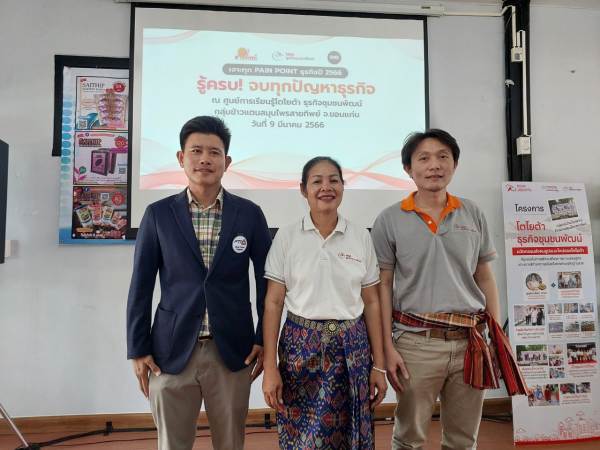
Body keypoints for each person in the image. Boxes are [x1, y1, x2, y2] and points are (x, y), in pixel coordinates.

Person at [371, 129, 527, 450]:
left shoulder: (472, 213)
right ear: (408, 168)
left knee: (463, 440)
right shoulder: (389, 219)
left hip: (470, 342)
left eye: (443, 157)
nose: (435, 165)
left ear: (454, 164)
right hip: (415, 344)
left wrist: (494, 338)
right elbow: (383, 286)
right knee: (408, 439)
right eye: (424, 158)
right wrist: (386, 348)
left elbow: (485, 276)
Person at [126, 116, 272, 450]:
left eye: (214, 152)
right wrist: (138, 348)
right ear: (181, 158)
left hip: (232, 350)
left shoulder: (249, 214)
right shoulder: (158, 214)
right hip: (170, 351)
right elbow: (140, 286)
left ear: (227, 162)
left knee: (230, 443)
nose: (204, 159)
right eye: (196, 151)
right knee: (172, 444)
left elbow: (267, 283)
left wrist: (263, 338)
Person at [261, 156, 387, 449]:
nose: (326, 187)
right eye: (317, 181)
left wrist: (379, 365)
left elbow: (372, 302)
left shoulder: (360, 236)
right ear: (303, 189)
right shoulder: (287, 237)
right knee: (302, 438)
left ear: (343, 186)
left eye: (333, 180)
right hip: (299, 349)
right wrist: (270, 367)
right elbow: (273, 303)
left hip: (352, 348)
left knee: (351, 435)